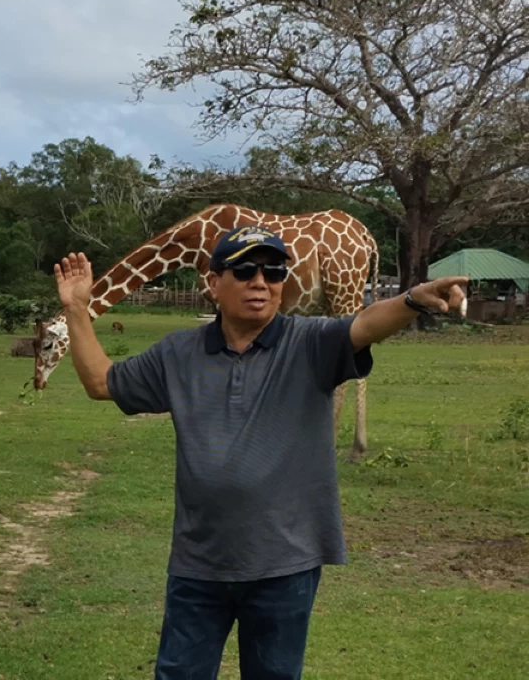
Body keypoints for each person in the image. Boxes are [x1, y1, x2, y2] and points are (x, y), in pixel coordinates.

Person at [53, 224, 467, 680]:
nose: (261, 282)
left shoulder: (309, 342)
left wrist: (411, 300)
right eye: (245, 270)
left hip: (284, 567)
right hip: (199, 565)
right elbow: (100, 382)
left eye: (273, 272)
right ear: (212, 284)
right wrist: (76, 308)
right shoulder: (178, 352)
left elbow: (366, 324)